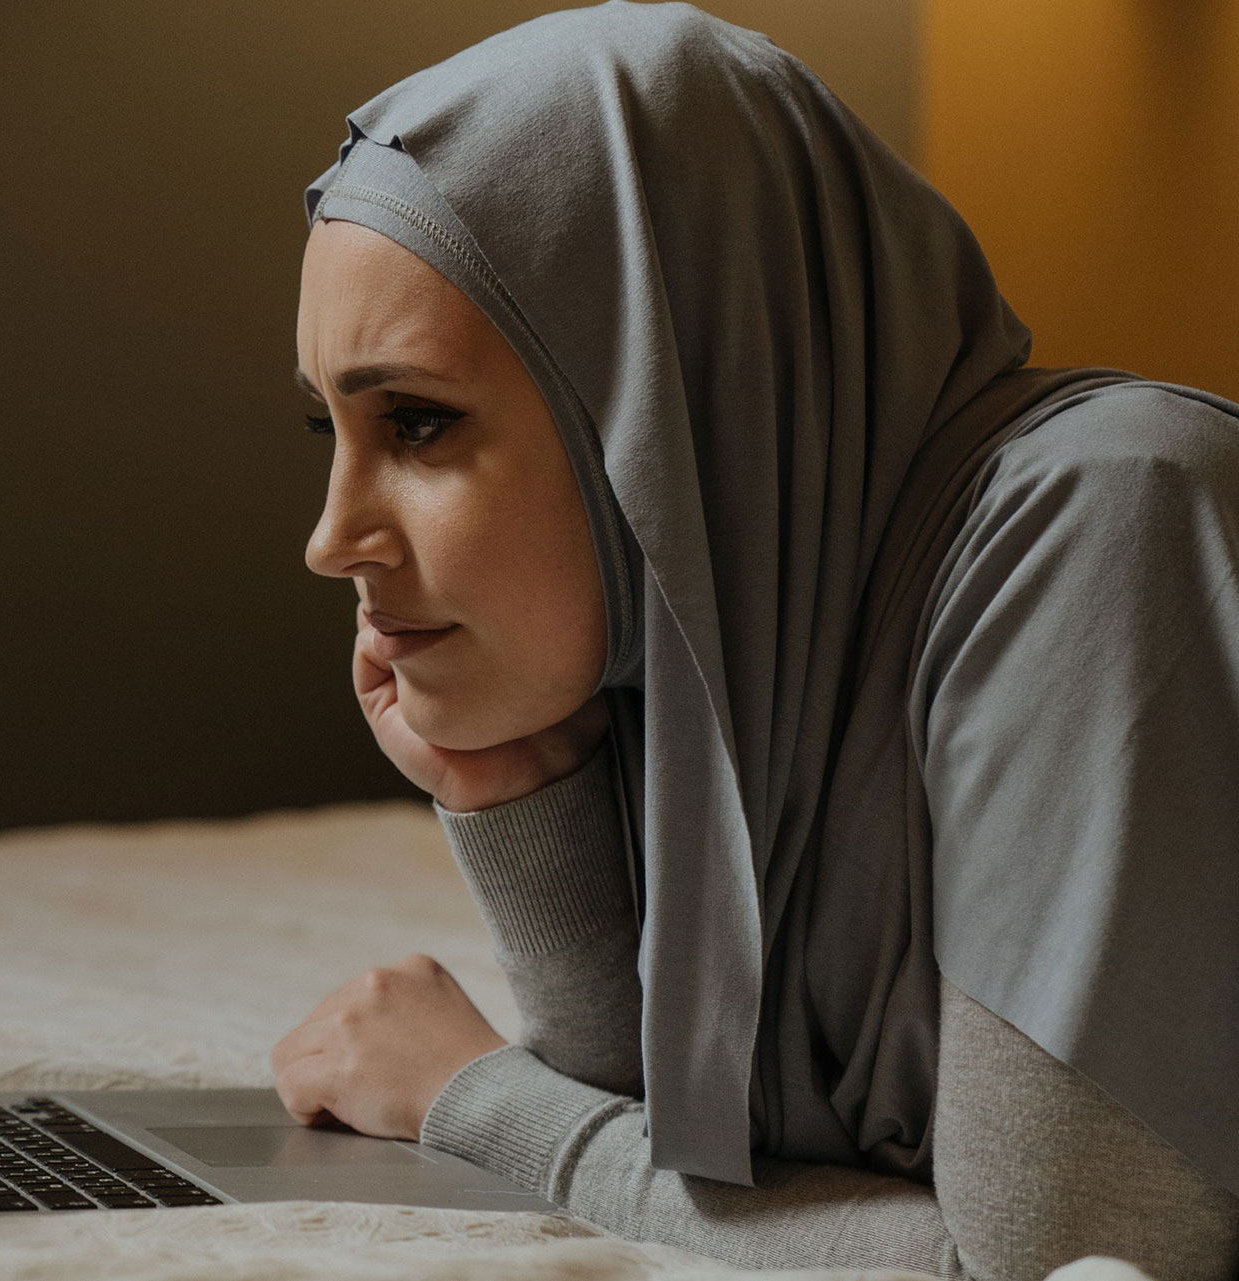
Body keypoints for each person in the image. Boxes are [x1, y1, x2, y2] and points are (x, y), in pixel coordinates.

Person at [267, 5, 1239, 1279]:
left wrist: (478, 1102)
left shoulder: (1111, 515)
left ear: (667, 386)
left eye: (419, 423)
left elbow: (1058, 1265)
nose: (332, 540)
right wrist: (523, 793)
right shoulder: (752, 631)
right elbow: (689, 1140)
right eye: (325, 432)